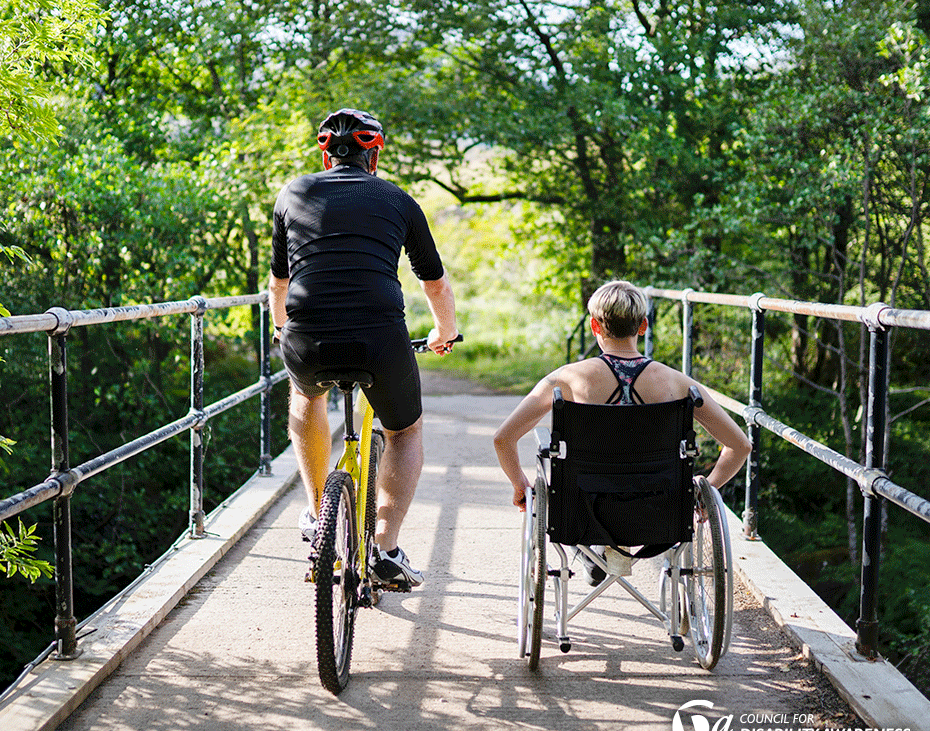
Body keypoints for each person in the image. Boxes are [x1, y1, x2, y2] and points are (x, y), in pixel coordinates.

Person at [269, 108, 458, 588]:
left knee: (306, 396)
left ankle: (317, 520)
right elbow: (433, 283)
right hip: (379, 336)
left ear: (326, 152)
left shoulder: (293, 194)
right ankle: (385, 547)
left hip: (308, 335)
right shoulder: (397, 199)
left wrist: (282, 331)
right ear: (373, 154)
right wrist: (444, 333)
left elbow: (279, 283)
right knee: (405, 431)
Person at [493, 280, 751, 581]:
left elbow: (503, 438)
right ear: (642, 326)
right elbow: (740, 446)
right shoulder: (679, 384)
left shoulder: (566, 380)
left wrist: (520, 485)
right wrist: (706, 491)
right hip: (660, 514)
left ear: (594, 326)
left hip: (582, 512)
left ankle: (595, 552)